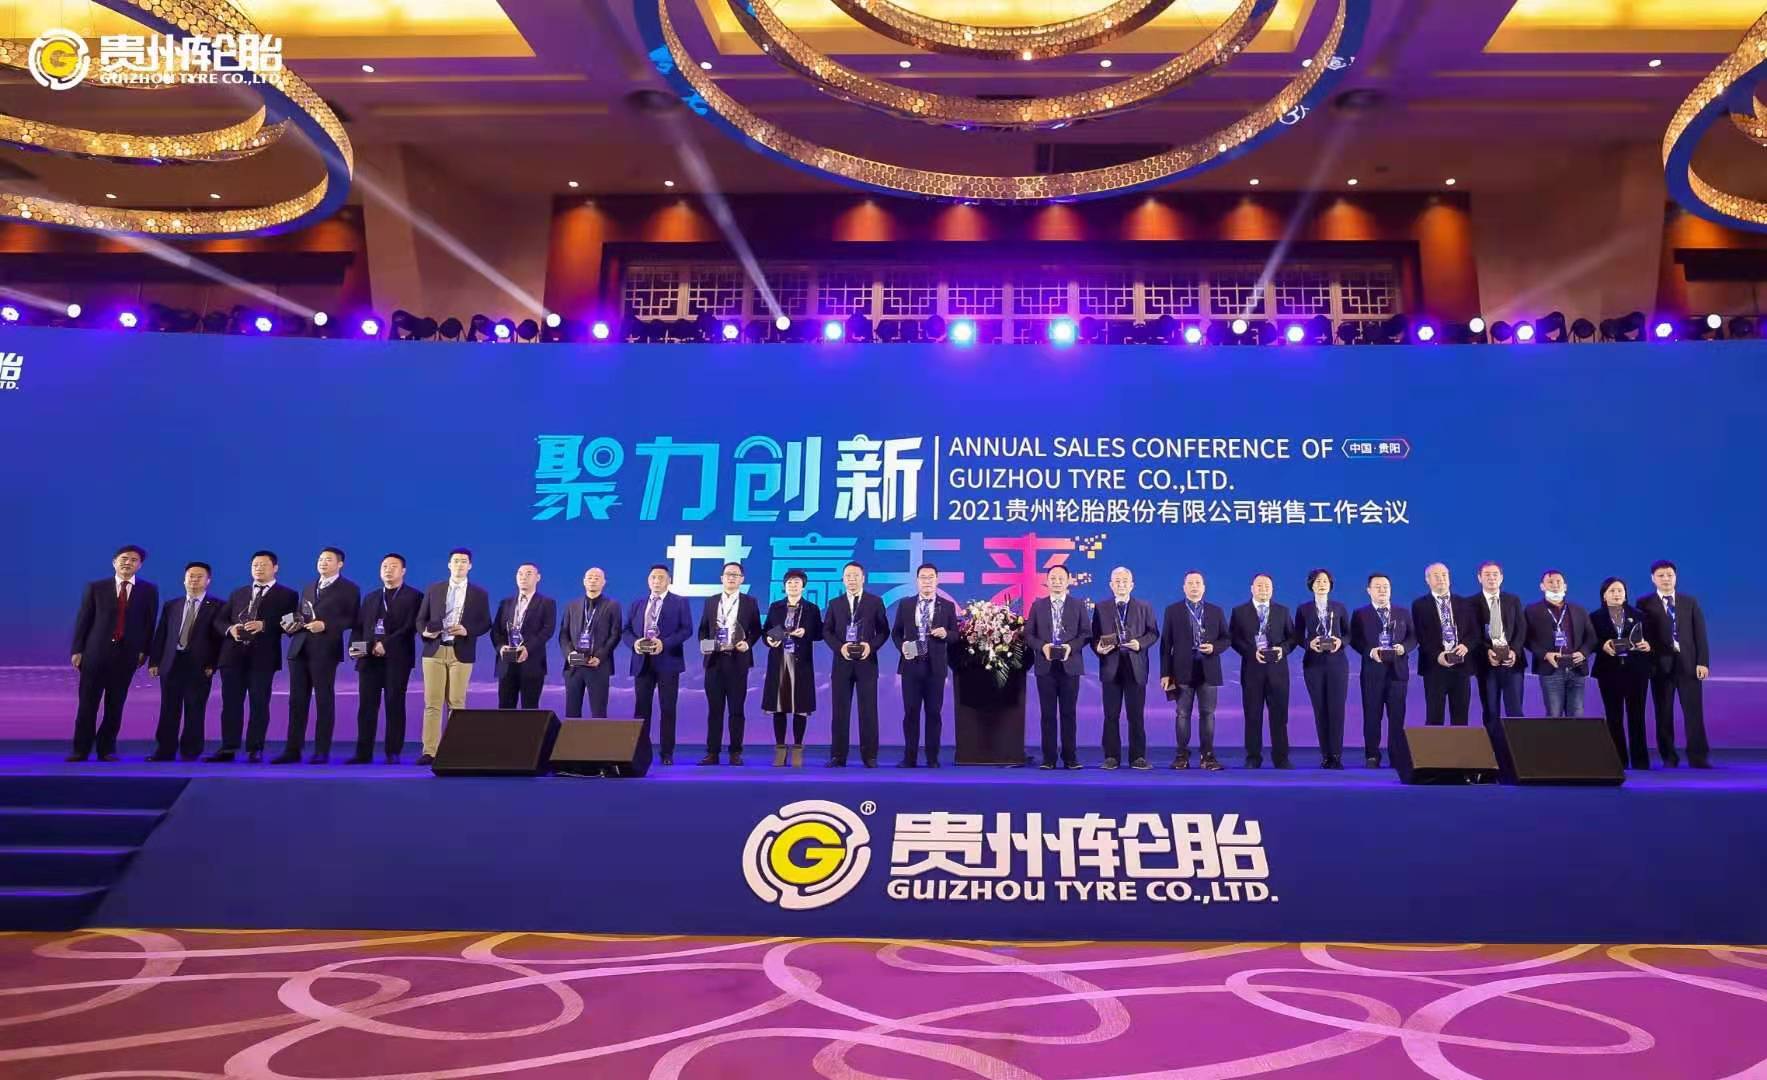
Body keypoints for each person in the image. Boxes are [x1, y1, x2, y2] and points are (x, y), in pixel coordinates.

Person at [69, 545, 160, 762]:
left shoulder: (148, 590)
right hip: (94, 654)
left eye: (134, 560)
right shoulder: (96, 588)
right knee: (87, 704)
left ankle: (106, 749)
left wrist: (145, 651)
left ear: (140, 565)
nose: (128, 563)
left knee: (115, 705)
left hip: (126, 656)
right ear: (114, 562)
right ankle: (80, 749)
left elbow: (149, 623)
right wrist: (77, 649)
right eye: (124, 558)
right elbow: (84, 619)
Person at [209, 550, 298, 762]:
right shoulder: (238, 593)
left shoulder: (288, 595)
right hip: (232, 656)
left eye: (263, 565)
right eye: (255, 565)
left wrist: (264, 625)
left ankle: (254, 748)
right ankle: (228, 747)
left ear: (275, 568)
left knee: (259, 704)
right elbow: (219, 621)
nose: (258, 568)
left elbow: (291, 625)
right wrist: (230, 629)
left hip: (263, 658)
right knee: (231, 704)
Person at [279, 547, 361, 764]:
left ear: (340, 564)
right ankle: (292, 750)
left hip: (325, 649)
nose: (323, 562)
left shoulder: (350, 588)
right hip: (299, 648)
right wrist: (293, 623)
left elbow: (353, 619)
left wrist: (327, 625)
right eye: (321, 559)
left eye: (328, 559)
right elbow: (303, 613)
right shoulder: (309, 586)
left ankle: (321, 750)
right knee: (297, 701)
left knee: (324, 700)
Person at [415, 548, 492, 766]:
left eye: (464, 561)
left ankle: (454, 750)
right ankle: (430, 751)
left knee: (457, 702)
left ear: (470, 566)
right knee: (432, 702)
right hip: (434, 650)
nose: (459, 564)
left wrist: (467, 630)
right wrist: (425, 632)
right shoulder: (434, 589)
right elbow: (420, 619)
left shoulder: (479, 593)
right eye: (456, 561)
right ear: (449, 565)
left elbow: (486, 623)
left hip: (462, 651)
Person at [347, 553, 422, 764]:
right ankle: (363, 753)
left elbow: (410, 628)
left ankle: (393, 751)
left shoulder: (414, 597)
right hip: (369, 659)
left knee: (394, 704)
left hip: (397, 659)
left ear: (403, 571)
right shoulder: (371, 597)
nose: (388, 570)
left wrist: (385, 644)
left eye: (393, 566)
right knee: (366, 706)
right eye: (385, 566)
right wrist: (355, 647)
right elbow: (358, 627)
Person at [1636, 560, 1711, 767]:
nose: (1666, 579)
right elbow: (1643, 635)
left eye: (1669, 575)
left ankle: (1698, 757)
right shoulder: (1644, 603)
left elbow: (1700, 634)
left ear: (1675, 577)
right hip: (1660, 666)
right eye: (1661, 575)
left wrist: (1703, 662)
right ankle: (1669, 757)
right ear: (1653, 579)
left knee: (1694, 713)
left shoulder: (1690, 602)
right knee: (1663, 713)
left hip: (1689, 666)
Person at [146, 561, 223, 761]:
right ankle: (165, 750)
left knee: (195, 709)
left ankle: (191, 751)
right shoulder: (172, 605)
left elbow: (219, 640)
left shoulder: (218, 606)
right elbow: (161, 634)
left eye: (199, 576)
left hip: (199, 665)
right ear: (184, 579)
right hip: (172, 663)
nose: (194, 580)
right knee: (168, 709)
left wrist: (212, 664)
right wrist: (154, 661)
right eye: (190, 576)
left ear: (208, 581)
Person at [1160, 570, 1229, 771]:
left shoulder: (1216, 611)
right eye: (1190, 583)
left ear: (1204, 587)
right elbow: (1166, 645)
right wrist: (1165, 673)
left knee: (1208, 714)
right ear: (1184, 587)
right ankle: (1181, 755)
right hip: (1181, 671)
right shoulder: (1172, 611)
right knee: (1182, 714)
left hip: (1208, 670)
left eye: (1198, 583)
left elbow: (1226, 639)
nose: (1194, 587)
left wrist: (1214, 647)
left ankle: (1208, 756)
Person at [822, 561, 890, 767]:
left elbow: (884, 631)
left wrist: (871, 646)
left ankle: (870, 756)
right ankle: (838, 755)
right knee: (839, 710)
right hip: (842, 663)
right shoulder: (835, 603)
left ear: (863, 578)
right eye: (848, 576)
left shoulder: (875, 602)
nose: (852, 580)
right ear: (843, 580)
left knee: (868, 710)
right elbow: (827, 631)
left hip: (866, 663)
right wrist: (839, 647)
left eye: (855, 576)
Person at [625, 563, 693, 765]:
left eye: (661, 577)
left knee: (668, 708)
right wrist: (635, 643)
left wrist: (664, 643)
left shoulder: (680, 602)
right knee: (641, 710)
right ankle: (640, 752)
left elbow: (686, 630)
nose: (656, 581)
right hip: (642, 662)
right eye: (653, 577)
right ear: (648, 581)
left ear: (669, 580)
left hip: (668, 661)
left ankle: (666, 753)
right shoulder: (637, 604)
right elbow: (626, 630)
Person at [1092, 566, 1158, 771]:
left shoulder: (1144, 607)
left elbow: (1153, 633)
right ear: (1111, 585)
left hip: (1135, 667)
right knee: (1110, 715)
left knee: (1135, 716)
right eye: (1117, 581)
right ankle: (1111, 757)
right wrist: (1098, 648)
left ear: (1132, 585)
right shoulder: (1101, 607)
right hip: (1111, 667)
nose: (1121, 584)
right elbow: (1094, 636)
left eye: (1125, 581)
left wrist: (1139, 644)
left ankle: (1138, 757)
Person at [1026, 564, 1092, 770]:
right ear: (1047, 581)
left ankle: (1070, 757)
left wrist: (1070, 647)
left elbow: (1086, 634)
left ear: (1068, 581)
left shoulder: (1078, 605)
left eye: (1060, 578)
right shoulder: (1038, 606)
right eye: (1053, 578)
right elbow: (1028, 635)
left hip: (1070, 666)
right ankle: (1049, 758)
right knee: (1047, 714)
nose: (1056, 582)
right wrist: (1042, 646)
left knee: (1068, 713)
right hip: (1045, 666)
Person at [697, 561, 763, 765]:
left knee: (736, 710)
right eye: (728, 574)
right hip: (714, 661)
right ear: (722, 578)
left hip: (737, 661)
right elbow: (703, 629)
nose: (731, 578)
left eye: (736, 575)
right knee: (714, 710)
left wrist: (748, 643)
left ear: (742, 579)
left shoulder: (750, 602)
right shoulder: (711, 601)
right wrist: (705, 644)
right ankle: (712, 752)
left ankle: (735, 752)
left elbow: (756, 630)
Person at [892, 563, 958, 768]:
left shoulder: (947, 606)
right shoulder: (906, 604)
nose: (927, 581)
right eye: (923, 577)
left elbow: (956, 635)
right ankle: (910, 757)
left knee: (933, 713)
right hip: (911, 665)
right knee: (911, 712)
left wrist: (946, 633)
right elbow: (896, 633)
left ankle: (932, 758)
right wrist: (902, 646)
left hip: (935, 667)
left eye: (931, 577)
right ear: (917, 580)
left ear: (937, 580)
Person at [1229, 573, 1294, 769]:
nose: (1263, 589)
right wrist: (1251, 652)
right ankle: (1253, 757)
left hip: (1278, 672)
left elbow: (1292, 638)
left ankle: (1281, 757)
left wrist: (1282, 650)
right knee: (1252, 715)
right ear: (1252, 588)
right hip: (1252, 671)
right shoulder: (1239, 612)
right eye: (1259, 585)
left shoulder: (1282, 611)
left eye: (1267, 586)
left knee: (1279, 716)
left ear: (1272, 589)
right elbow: (1233, 639)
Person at [1350, 573, 1415, 767]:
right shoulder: (1360, 614)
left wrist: (1404, 648)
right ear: (1368, 590)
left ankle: (1396, 756)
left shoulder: (1403, 612)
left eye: (1386, 586)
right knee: (1372, 715)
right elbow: (1355, 640)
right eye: (1377, 587)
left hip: (1398, 673)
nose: (1382, 590)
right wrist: (1370, 652)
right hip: (1373, 672)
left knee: (1397, 717)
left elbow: (1413, 637)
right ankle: (1372, 755)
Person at [762, 569, 822, 768]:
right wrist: (770, 640)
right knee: (778, 706)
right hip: (779, 660)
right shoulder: (776, 607)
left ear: (803, 586)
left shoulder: (811, 609)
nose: (793, 585)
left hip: (801, 662)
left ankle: (797, 749)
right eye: (789, 582)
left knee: (800, 707)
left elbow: (820, 633)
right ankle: (780, 749)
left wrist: (806, 631)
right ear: (784, 586)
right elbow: (766, 631)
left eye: (797, 582)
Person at [1592, 576, 1652, 769]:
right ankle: (1618, 760)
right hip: (1609, 672)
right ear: (1604, 595)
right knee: (1614, 716)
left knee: (1637, 715)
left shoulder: (1639, 615)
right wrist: (1602, 645)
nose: (1616, 594)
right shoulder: (1595, 617)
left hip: (1636, 671)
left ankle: (1640, 760)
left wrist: (1648, 645)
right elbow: (1590, 641)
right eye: (1612, 591)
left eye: (1620, 590)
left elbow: (1652, 640)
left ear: (1626, 594)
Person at [1295, 568, 1351, 769]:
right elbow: (1297, 636)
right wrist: (1309, 644)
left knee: (1337, 709)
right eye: (1318, 581)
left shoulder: (1339, 607)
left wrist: (1340, 642)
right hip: (1313, 664)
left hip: (1337, 664)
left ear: (1330, 585)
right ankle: (1325, 755)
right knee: (1320, 709)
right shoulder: (1303, 609)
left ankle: (1336, 755)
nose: (1322, 584)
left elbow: (1349, 634)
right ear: (1311, 585)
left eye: (1325, 581)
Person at [1524, 569, 1595, 718]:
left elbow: (1591, 638)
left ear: (1565, 586)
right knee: (1554, 715)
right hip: (1551, 669)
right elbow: (1526, 639)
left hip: (1576, 668)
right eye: (1550, 582)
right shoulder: (1531, 611)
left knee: (1577, 715)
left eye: (1558, 582)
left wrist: (1583, 653)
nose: (1555, 585)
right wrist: (1545, 654)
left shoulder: (1579, 610)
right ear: (1542, 586)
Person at [1413, 562, 1478, 726]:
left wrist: (1466, 645)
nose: (1441, 579)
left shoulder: (1465, 603)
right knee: (1434, 717)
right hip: (1434, 668)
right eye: (1436, 576)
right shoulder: (1419, 605)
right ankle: (1433, 745)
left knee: (1461, 717)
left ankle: (1460, 744)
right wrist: (1438, 655)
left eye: (1444, 575)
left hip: (1461, 666)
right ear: (1427, 580)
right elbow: (1420, 635)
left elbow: (1475, 632)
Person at [559, 567, 621, 719]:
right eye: (590, 577)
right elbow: (563, 634)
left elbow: (615, 635)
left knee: (598, 713)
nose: (593, 580)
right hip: (574, 666)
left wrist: (599, 656)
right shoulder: (572, 606)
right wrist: (569, 654)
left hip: (598, 666)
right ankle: (572, 737)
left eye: (597, 578)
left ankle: (599, 737)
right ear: (584, 581)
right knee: (572, 713)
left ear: (604, 582)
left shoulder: (612, 605)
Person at [491, 563, 556, 709]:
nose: (523, 577)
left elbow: (547, 630)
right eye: (520, 574)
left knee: (530, 709)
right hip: (507, 663)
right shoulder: (506, 603)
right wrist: (501, 648)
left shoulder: (547, 603)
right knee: (505, 710)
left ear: (538, 577)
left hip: (532, 663)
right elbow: (496, 631)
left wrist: (527, 648)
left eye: (528, 574)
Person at [1472, 561, 1527, 726]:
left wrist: (1514, 651)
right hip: (1487, 664)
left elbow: (1521, 628)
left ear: (1501, 578)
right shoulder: (1471, 603)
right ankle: (1493, 743)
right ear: (1479, 578)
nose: (1491, 578)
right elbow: (1471, 633)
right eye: (1487, 575)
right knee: (1491, 712)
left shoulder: (1513, 600)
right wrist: (1487, 651)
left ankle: (1517, 743)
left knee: (1515, 711)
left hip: (1512, 663)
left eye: (1495, 574)